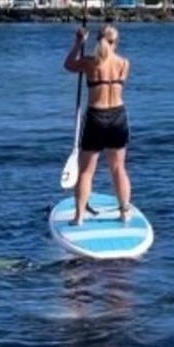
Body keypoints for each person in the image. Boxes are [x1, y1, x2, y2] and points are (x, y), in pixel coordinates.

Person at [63, 24, 133, 225]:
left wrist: (78, 44)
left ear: (98, 40)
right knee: (119, 168)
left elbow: (68, 65)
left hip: (96, 116)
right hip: (118, 117)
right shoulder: (124, 64)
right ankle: (124, 212)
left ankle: (78, 217)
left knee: (86, 171)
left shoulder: (89, 63)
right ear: (115, 42)